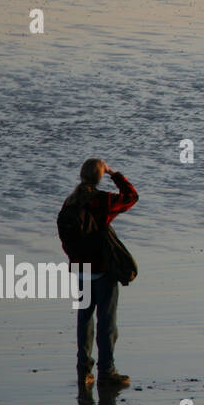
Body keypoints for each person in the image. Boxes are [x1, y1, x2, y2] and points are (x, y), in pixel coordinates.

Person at [63, 158, 138, 388]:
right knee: (106, 323)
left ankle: (84, 371)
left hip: (81, 271)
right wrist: (114, 174)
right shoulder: (102, 201)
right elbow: (131, 197)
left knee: (84, 320)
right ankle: (107, 371)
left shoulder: (70, 203)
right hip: (103, 272)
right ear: (99, 177)